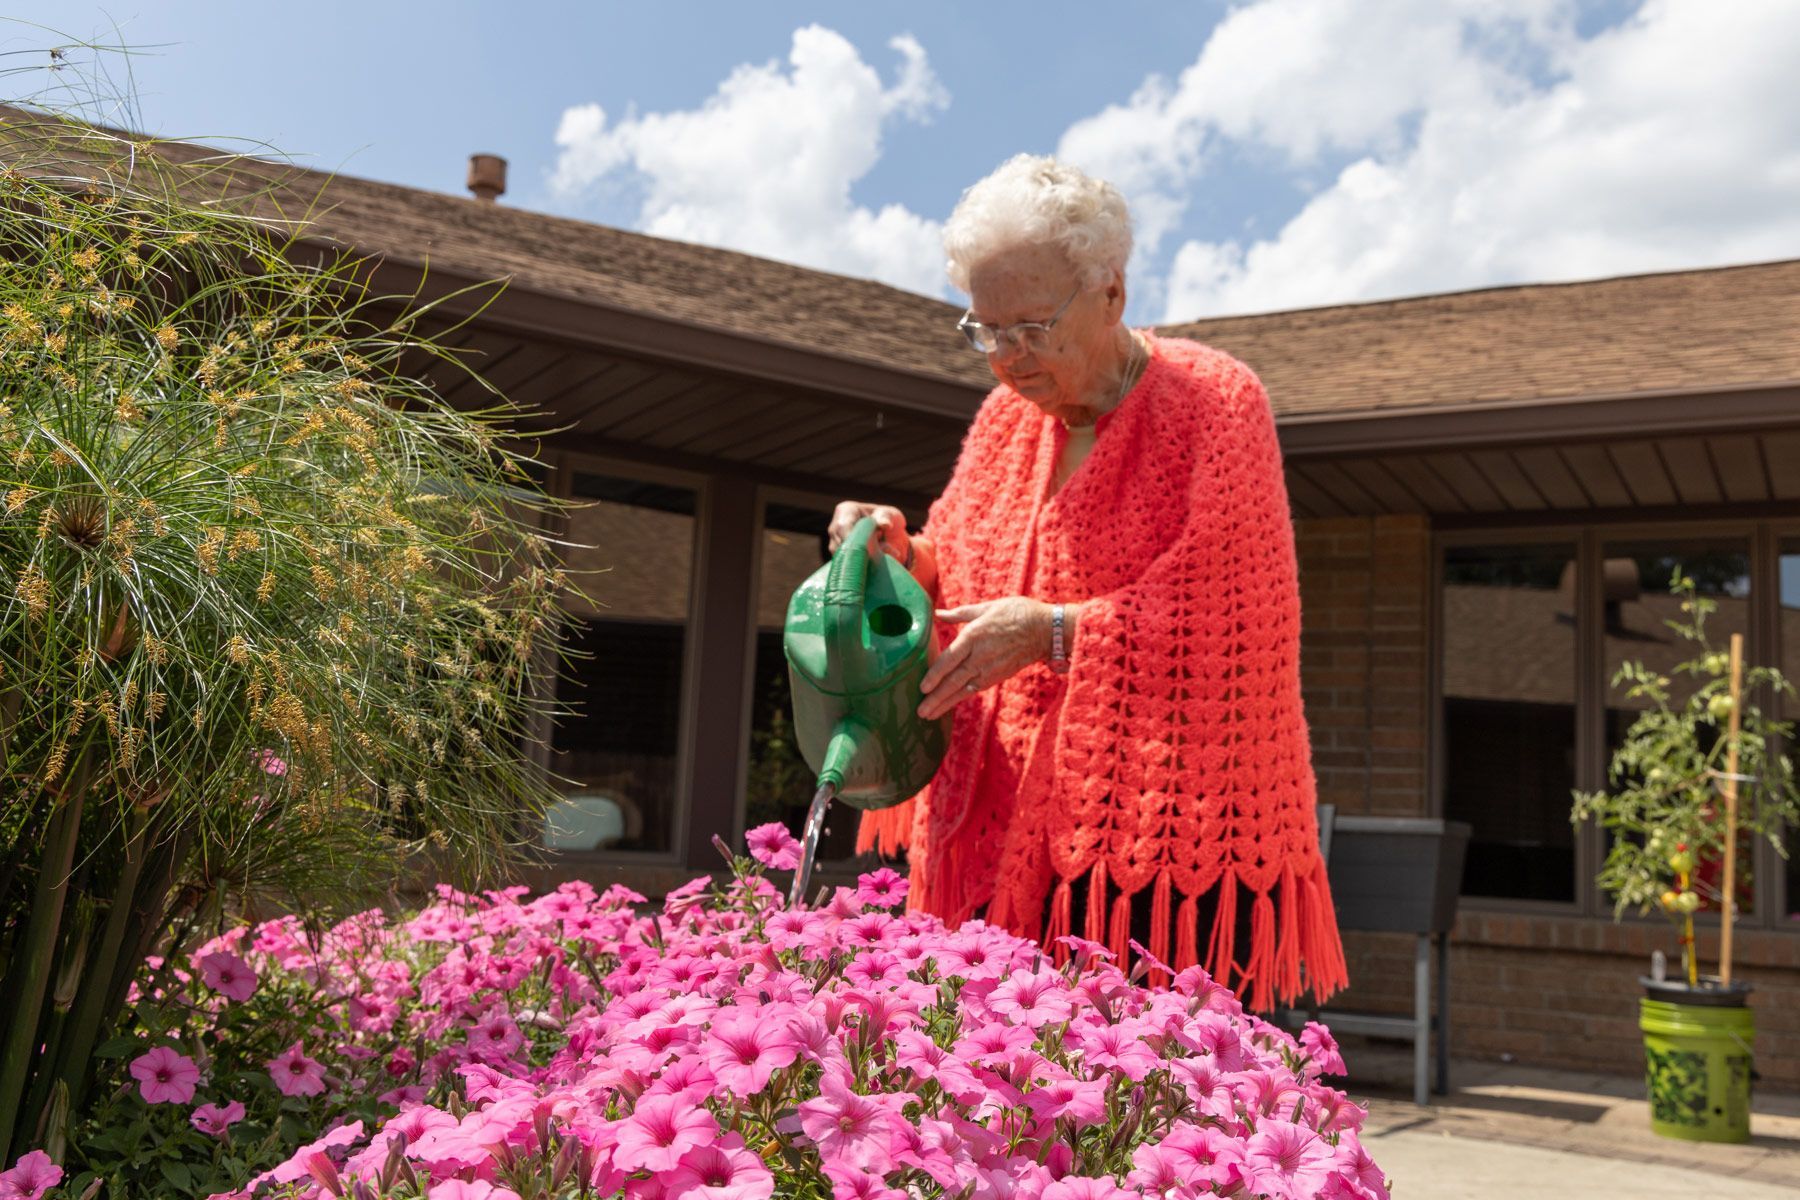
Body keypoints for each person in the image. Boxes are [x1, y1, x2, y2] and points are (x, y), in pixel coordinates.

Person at [830, 155, 1345, 1011]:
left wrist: (1056, 633)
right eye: (985, 330)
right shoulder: (1004, 420)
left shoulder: (1216, 404)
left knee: (1152, 1127)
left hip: (1161, 851)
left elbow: (1235, 624)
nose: (1008, 357)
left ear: (1112, 291)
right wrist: (891, 551)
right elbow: (954, 565)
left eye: (1030, 325)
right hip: (993, 835)